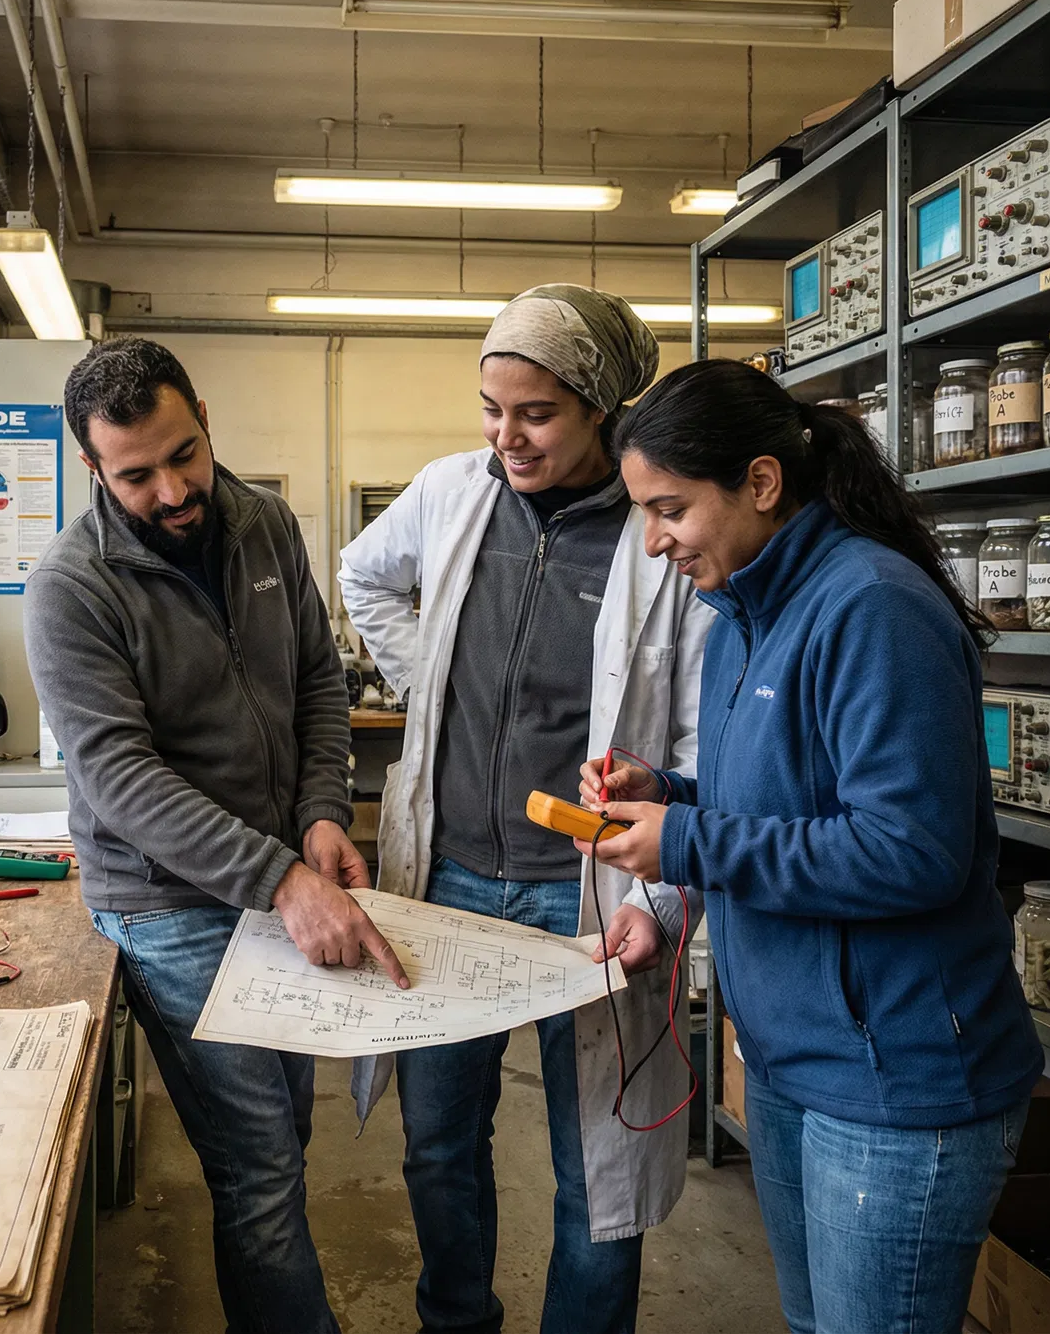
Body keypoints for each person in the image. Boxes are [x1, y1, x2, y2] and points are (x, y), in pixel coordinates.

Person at [576, 359, 1044, 1334]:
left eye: (671, 509)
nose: (654, 542)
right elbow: (787, 801)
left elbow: (912, 852)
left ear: (759, 482)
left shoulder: (873, 608)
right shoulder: (743, 613)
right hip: (794, 1061)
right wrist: (669, 795)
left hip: (894, 1083)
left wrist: (691, 840)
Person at [338, 285, 712, 1334]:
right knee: (437, 1142)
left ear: (601, 411)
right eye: (492, 410)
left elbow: (691, 745)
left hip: (586, 895)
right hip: (452, 872)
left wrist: (668, 894)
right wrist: (431, 683)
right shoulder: (452, 492)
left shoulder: (658, 535)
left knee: (596, 1164)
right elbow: (364, 575)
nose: (506, 436)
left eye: (536, 414)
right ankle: (457, 1318)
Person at [25, 338, 404, 1334]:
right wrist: (283, 879)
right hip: (170, 907)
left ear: (202, 412)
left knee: (286, 1137)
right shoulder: (72, 586)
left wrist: (323, 813)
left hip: (279, 877)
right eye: (137, 474)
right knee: (261, 1166)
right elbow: (117, 778)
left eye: (182, 453)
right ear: (93, 468)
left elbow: (317, 679)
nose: (173, 489)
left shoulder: (266, 525)